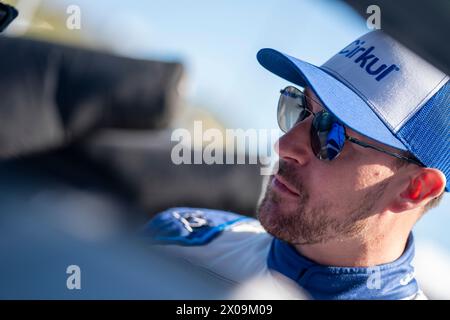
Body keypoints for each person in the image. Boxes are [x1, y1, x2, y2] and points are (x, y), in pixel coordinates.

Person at [143, 30, 449, 300]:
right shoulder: (179, 241)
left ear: (415, 188)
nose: (284, 146)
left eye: (331, 133)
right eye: (300, 110)